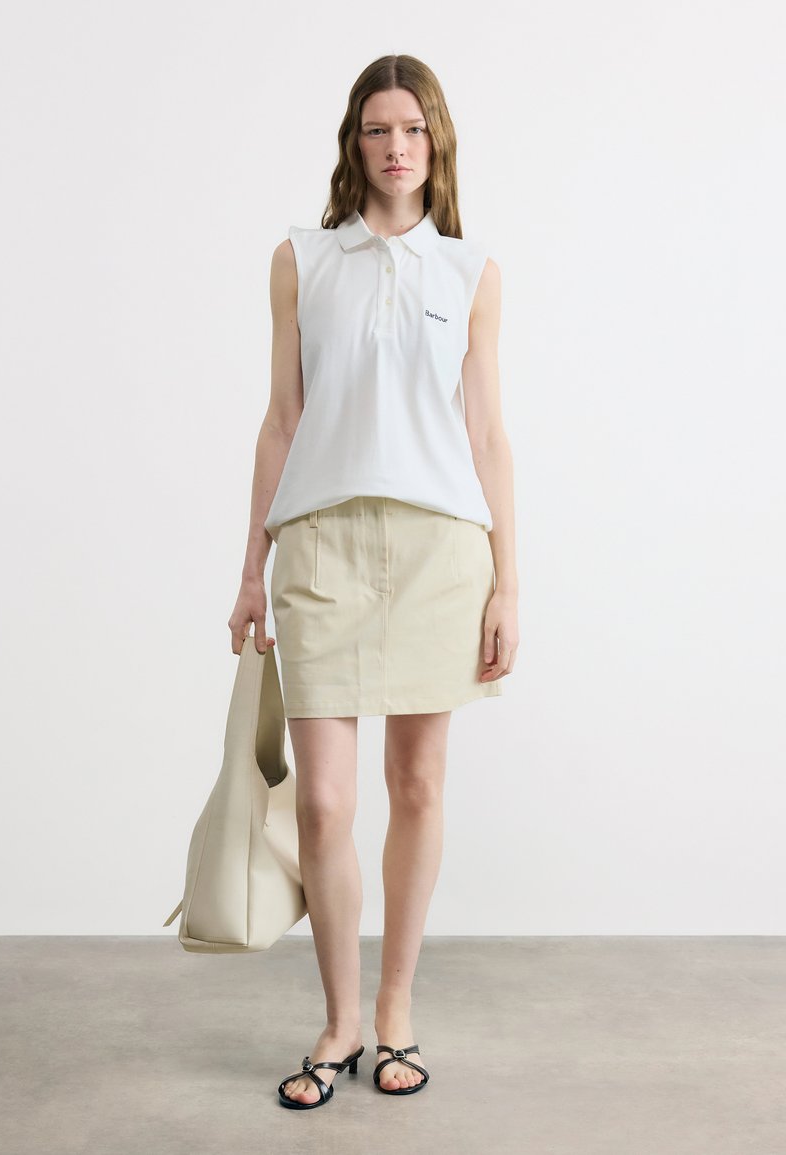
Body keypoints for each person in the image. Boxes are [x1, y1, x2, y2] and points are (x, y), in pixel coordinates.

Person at [227, 53, 519, 1110]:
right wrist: (250, 567)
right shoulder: (301, 260)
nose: (397, 147)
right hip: (322, 548)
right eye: (377, 129)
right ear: (353, 143)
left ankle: (394, 1011)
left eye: (413, 128)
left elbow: (486, 434)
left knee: (417, 786)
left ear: (437, 141)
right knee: (322, 800)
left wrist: (508, 583)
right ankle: (338, 1020)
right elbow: (281, 418)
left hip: (440, 551)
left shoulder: (469, 270)